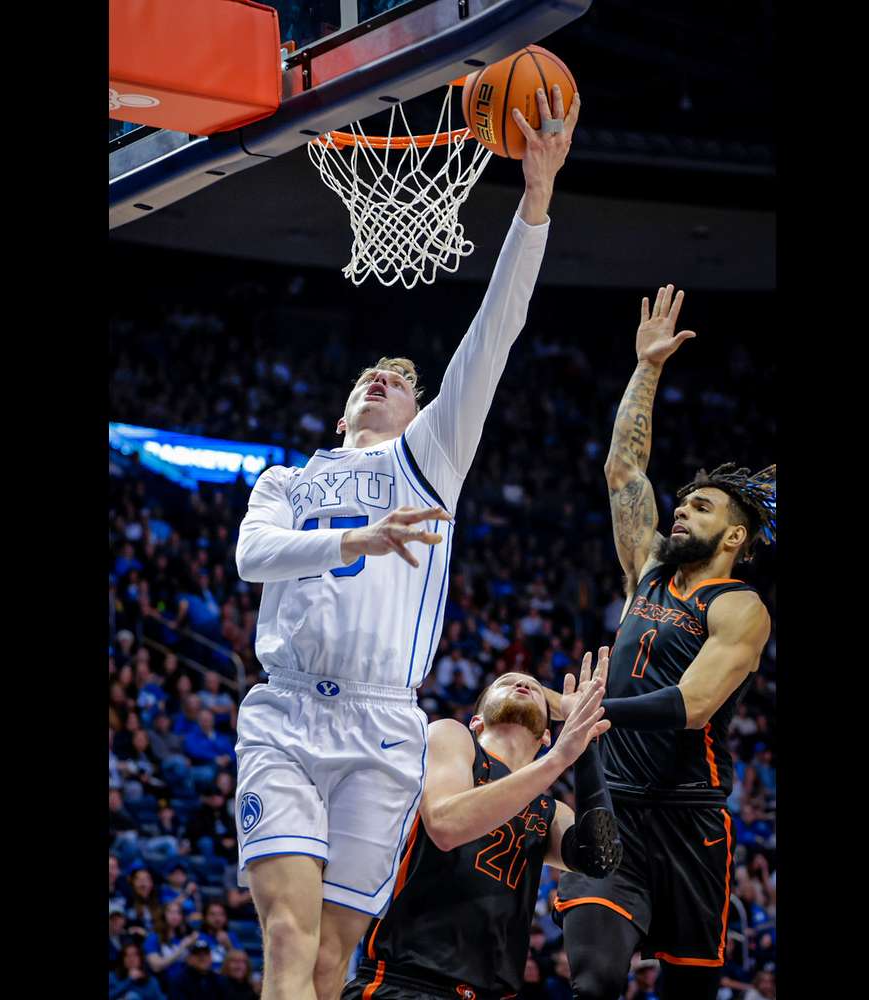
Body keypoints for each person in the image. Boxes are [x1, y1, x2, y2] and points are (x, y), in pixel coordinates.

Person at [233, 84, 582, 1000]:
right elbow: (252, 559)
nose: (385, 377)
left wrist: (536, 200)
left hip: (385, 722)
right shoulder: (287, 480)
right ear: (349, 405)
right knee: (283, 934)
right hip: (286, 714)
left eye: (401, 377)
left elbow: (494, 331)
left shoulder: (430, 463)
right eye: (372, 374)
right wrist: (353, 538)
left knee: (326, 963)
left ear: (424, 412)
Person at [548, 285, 775, 1000]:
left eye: (700, 507)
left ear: (734, 538)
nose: (679, 510)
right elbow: (625, 471)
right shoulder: (646, 569)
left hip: (690, 819)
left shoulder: (741, 607)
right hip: (611, 801)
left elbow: (694, 705)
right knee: (594, 979)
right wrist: (648, 367)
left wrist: (589, 709)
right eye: (681, 503)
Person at [342, 665, 619, 1000]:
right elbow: (446, 825)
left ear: (547, 733)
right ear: (477, 721)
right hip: (406, 981)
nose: (520, 682)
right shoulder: (453, 739)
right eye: (504, 682)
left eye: (532, 685)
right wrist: (558, 759)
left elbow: (600, 857)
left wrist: (587, 742)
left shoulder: (551, 810)